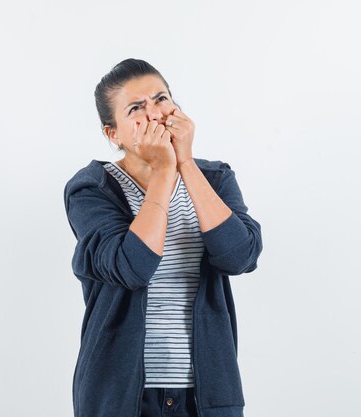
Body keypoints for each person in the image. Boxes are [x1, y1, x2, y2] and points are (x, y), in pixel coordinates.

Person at [63, 58, 263, 417]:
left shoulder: (215, 178)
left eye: (161, 99)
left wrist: (185, 164)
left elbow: (240, 256)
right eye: (136, 108)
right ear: (114, 134)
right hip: (119, 396)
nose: (155, 113)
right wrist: (163, 170)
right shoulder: (93, 188)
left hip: (208, 392)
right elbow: (132, 266)